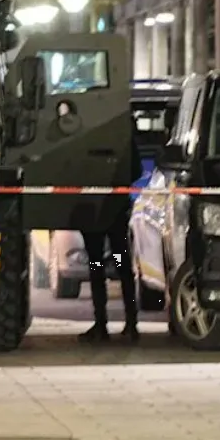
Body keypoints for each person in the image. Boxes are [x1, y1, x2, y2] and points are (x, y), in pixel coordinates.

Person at [79, 120, 143, 344]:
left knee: (97, 266)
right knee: (122, 266)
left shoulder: (86, 137)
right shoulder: (122, 138)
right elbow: (136, 169)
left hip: (92, 212)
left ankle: (101, 325)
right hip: (115, 210)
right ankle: (131, 324)